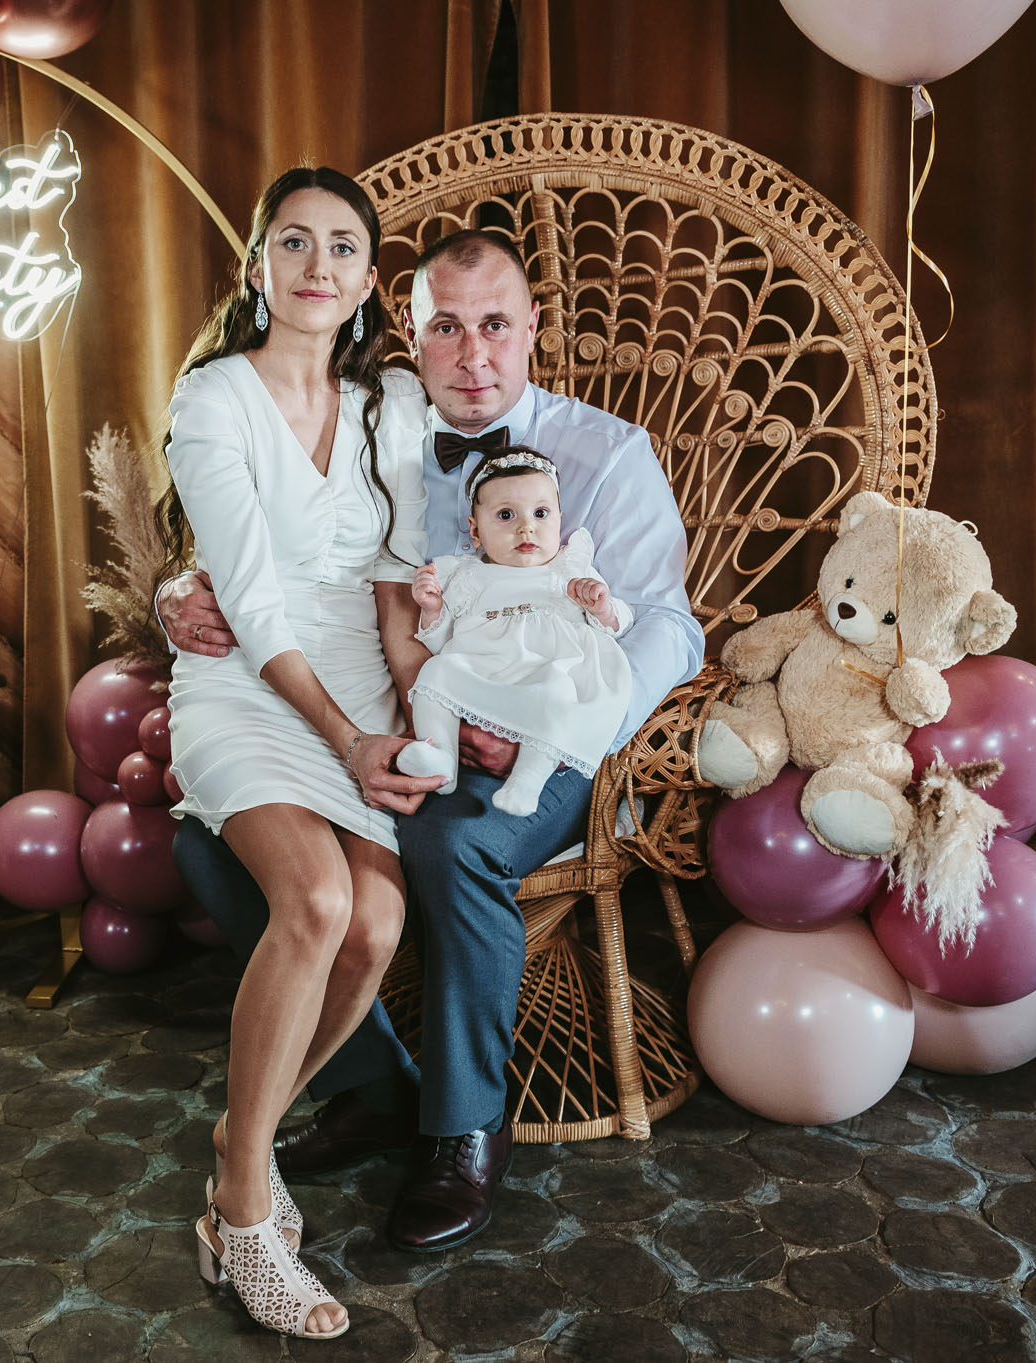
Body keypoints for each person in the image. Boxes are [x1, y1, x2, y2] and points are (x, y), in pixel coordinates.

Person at [160, 227, 704, 1253]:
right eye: (445, 328)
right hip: (379, 717)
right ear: (409, 337)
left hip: (547, 744)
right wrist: (173, 594)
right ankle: (374, 1086)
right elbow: (264, 543)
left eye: (494, 324)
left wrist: (554, 725)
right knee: (207, 841)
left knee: (452, 839)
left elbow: (671, 627)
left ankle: (462, 1130)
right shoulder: (377, 419)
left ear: (533, 326)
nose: (473, 355)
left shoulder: (608, 453)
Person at [158, 165, 442, 1339]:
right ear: (258, 265)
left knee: (374, 926)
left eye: (340, 247)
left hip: (363, 686)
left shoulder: (395, 403)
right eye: (292, 241)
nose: (315, 265)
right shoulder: (211, 398)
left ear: (368, 281)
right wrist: (345, 737)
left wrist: (413, 720)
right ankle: (241, 1215)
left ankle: (244, 1133)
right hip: (245, 681)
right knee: (317, 901)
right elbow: (247, 597)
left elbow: (396, 588)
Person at [401, 446, 635, 818]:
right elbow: (443, 644)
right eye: (506, 515)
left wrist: (601, 606)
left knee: (558, 693)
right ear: (476, 531)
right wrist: (431, 610)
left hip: (547, 672)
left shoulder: (570, 569)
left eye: (540, 513)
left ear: (559, 519)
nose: (526, 527)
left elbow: (619, 624)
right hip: (486, 670)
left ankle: (527, 780)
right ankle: (441, 758)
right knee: (436, 672)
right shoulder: (467, 575)